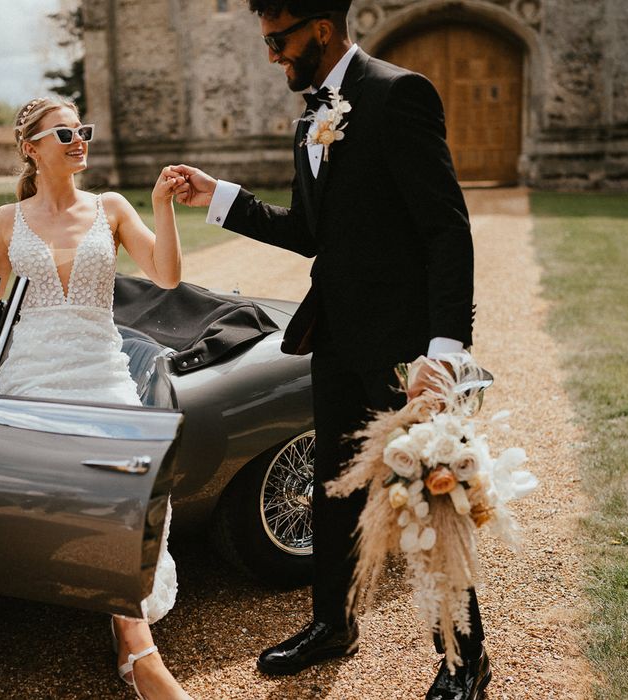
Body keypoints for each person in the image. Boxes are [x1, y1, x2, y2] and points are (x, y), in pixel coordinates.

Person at [172, 2, 489, 698]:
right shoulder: (310, 119)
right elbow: (314, 233)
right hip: (336, 342)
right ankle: (333, 624)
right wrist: (219, 197)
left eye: (278, 39)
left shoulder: (398, 94)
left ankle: (465, 659)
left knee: (429, 498)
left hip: (409, 354)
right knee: (333, 491)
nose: (270, 54)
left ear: (320, 26)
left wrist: (443, 351)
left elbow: (446, 230)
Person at [0, 96, 193, 700]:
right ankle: (140, 652)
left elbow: (166, 275)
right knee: (87, 493)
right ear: (31, 147)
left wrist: (161, 205)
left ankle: (133, 639)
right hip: (32, 378)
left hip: (101, 370)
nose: (79, 139)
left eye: (83, 130)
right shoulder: (7, 219)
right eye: (65, 132)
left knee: (131, 486)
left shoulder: (111, 208)